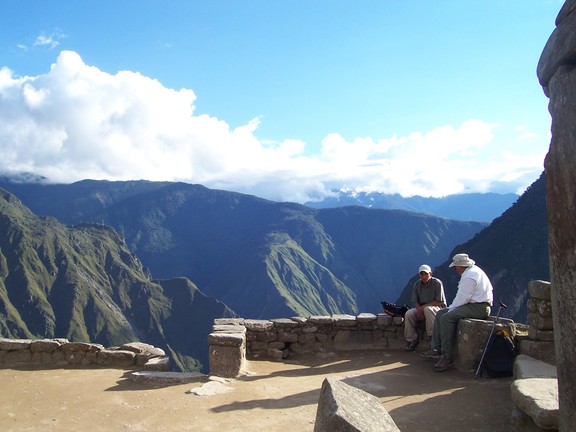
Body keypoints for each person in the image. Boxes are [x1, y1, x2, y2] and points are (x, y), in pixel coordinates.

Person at [421, 253, 493, 372]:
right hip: (473, 305)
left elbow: (462, 298)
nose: (455, 269)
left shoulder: (470, 276)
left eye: (456, 266)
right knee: (440, 314)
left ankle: (446, 357)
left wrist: (452, 308)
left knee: (446, 318)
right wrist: (451, 308)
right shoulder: (472, 272)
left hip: (478, 307)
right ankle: (435, 348)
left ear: (461, 266)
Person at [404, 264, 446, 351]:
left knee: (427, 310)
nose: (423, 276)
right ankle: (411, 339)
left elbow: (439, 301)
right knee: (408, 314)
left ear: (430, 274)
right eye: (421, 274)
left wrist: (422, 308)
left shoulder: (437, 283)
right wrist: (419, 309)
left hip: (437, 307)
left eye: (425, 274)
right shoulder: (417, 284)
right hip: (422, 307)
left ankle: (433, 340)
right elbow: (415, 300)